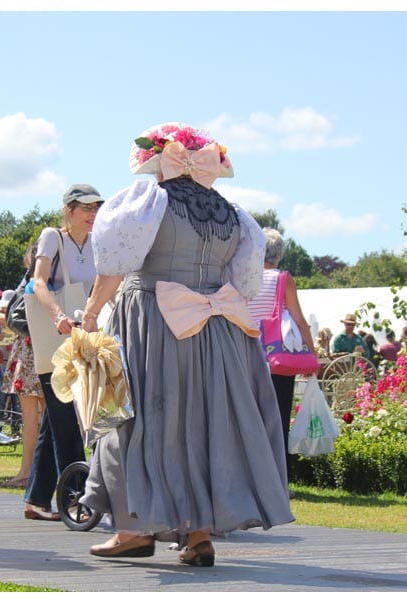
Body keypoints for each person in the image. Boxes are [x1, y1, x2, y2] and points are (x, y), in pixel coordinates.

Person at [79, 122, 293, 566]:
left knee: (134, 417)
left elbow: (115, 263)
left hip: (151, 318)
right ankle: (198, 537)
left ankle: (133, 528)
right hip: (215, 329)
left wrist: (92, 310)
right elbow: (246, 282)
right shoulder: (234, 216)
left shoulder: (148, 203)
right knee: (202, 424)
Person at [22, 185, 101, 521]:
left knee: (56, 421)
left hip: (85, 336)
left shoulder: (97, 242)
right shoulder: (52, 236)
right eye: (85, 207)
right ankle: (76, 499)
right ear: (68, 209)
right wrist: (58, 315)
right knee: (67, 418)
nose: (92, 213)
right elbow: (38, 282)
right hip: (57, 338)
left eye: (96, 206)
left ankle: (37, 500)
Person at [247, 227, 316, 483]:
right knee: (277, 420)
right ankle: (276, 481)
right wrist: (311, 353)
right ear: (279, 254)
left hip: (246, 355)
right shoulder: (282, 279)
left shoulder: (244, 276)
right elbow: (299, 320)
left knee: (249, 419)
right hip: (275, 359)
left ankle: (248, 479)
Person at [0, 241, 45, 489]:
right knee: (50, 417)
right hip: (52, 346)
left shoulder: (30, 282)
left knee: (30, 418)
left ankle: (27, 471)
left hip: (30, 348)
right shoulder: (57, 280)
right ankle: (45, 472)